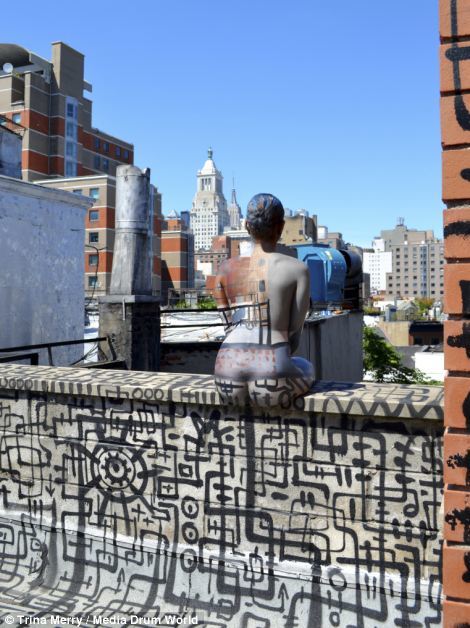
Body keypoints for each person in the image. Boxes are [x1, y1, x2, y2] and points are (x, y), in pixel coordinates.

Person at [213, 193, 314, 408]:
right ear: (281, 227)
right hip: (272, 373)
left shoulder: (224, 270)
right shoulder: (298, 269)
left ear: (247, 226)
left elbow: (228, 328)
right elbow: (293, 337)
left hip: (225, 374)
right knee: (306, 366)